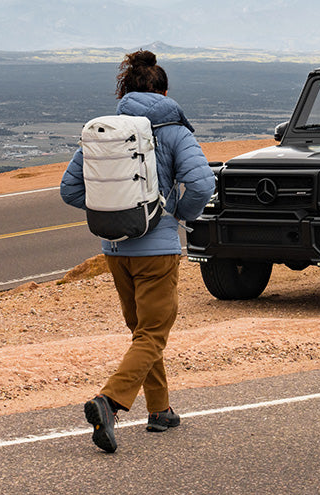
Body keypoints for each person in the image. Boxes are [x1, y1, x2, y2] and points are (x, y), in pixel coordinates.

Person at [60, 50, 216, 453]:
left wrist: (115, 213)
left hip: (114, 249)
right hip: (157, 251)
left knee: (142, 331)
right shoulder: (174, 130)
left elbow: (70, 189)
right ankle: (109, 403)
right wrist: (176, 215)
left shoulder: (104, 132)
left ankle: (160, 410)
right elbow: (202, 184)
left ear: (124, 91)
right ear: (164, 91)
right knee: (152, 332)